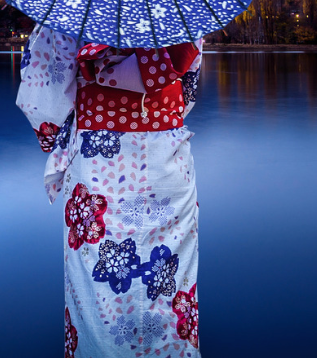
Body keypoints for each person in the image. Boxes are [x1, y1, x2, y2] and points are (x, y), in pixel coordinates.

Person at [16, 25, 202, 357]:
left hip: (99, 165)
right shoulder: (178, 4)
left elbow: (43, 96)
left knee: (98, 298)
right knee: (169, 287)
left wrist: (54, 134)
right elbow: (187, 87)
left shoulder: (76, 0)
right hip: (168, 161)